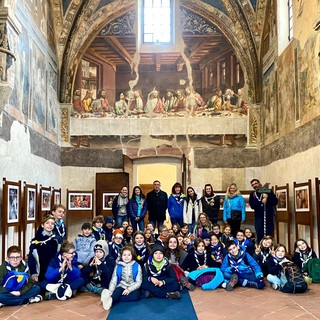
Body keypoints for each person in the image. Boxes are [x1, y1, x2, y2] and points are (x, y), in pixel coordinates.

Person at [101, 246, 142, 311]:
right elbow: (114, 280)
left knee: (136, 296)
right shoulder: (118, 266)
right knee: (117, 292)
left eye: (129, 255)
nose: (126, 257)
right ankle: (110, 300)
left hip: (132, 286)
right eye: (124, 255)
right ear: (121, 256)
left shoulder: (137, 266)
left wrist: (129, 289)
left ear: (132, 256)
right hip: (122, 285)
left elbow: (138, 282)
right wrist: (110, 291)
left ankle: (111, 298)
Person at [28, 215, 59, 285]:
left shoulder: (56, 240)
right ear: (42, 225)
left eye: (52, 223)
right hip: (40, 271)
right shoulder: (35, 241)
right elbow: (31, 258)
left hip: (52, 270)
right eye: (47, 223)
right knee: (39, 285)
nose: (50, 225)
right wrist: (34, 274)